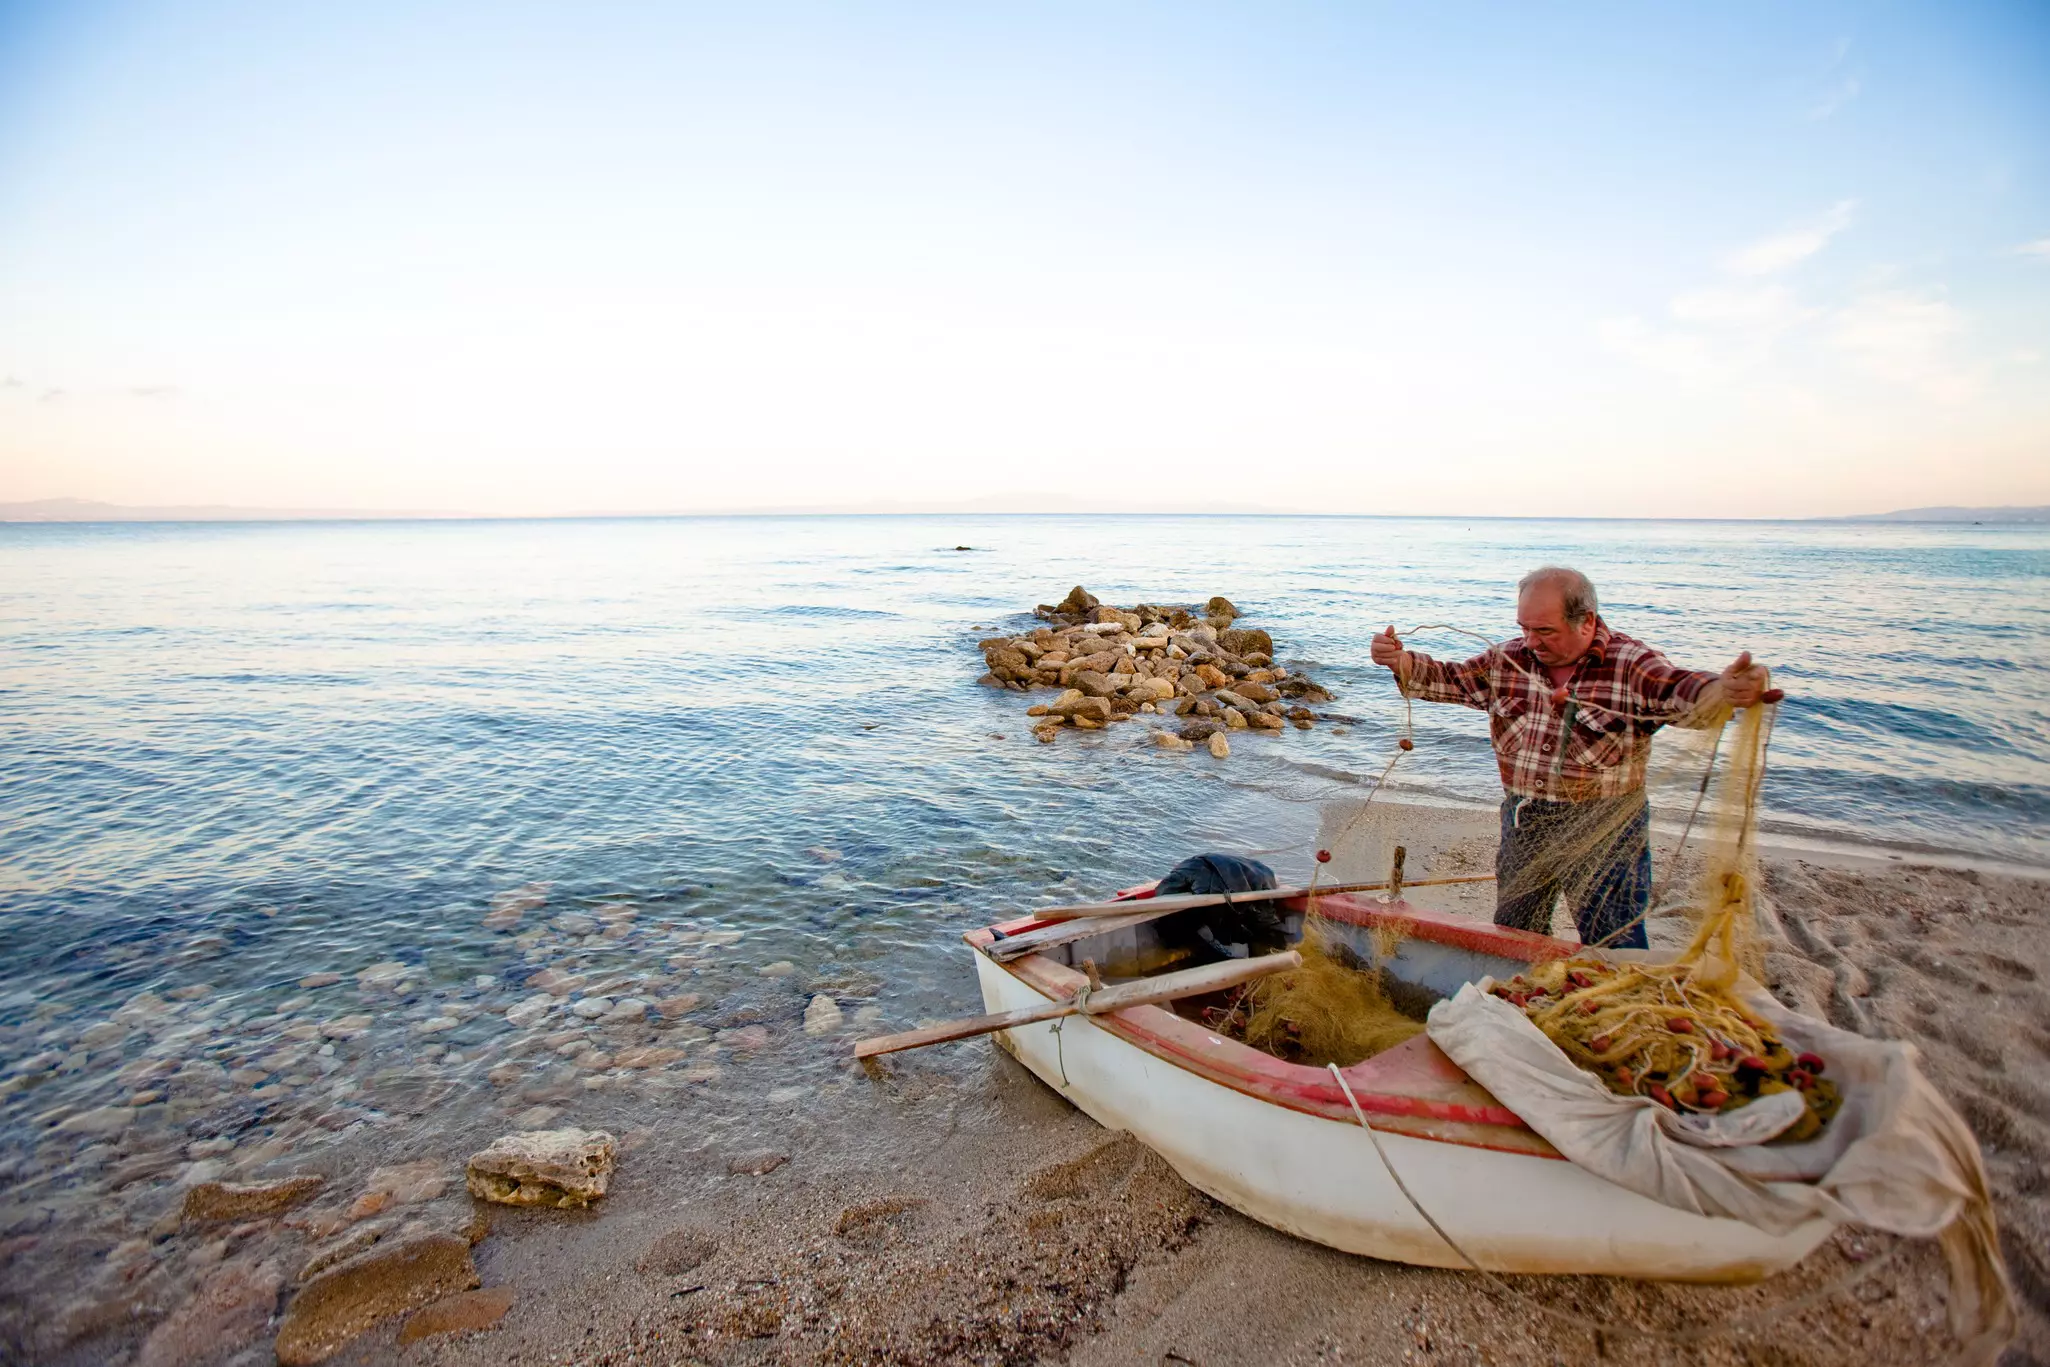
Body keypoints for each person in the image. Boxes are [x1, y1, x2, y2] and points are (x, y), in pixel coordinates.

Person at [1369, 567, 1768, 949]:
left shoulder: (1631, 664)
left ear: (1587, 621)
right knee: (1515, 929)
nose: (1531, 641)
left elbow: (1681, 692)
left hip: (1606, 827)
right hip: (1526, 819)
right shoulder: (1508, 659)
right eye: (1524, 628)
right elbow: (1451, 680)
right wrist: (1400, 661)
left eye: (1545, 631)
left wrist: (1725, 691)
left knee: (1612, 938)